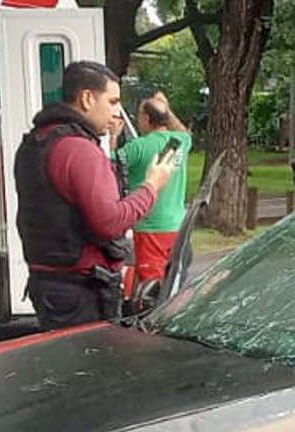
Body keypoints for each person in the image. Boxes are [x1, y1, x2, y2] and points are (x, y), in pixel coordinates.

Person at [14, 61, 176, 329]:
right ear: (87, 98)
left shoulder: (36, 142)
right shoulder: (79, 150)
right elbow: (110, 223)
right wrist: (151, 185)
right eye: (112, 102)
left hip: (49, 284)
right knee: (89, 369)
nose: (116, 113)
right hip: (81, 291)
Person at [119, 92, 192, 294]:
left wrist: (112, 137)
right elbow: (183, 131)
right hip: (177, 225)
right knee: (173, 283)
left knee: (151, 288)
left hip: (151, 228)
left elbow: (107, 165)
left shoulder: (138, 147)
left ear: (145, 118)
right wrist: (166, 109)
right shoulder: (180, 142)